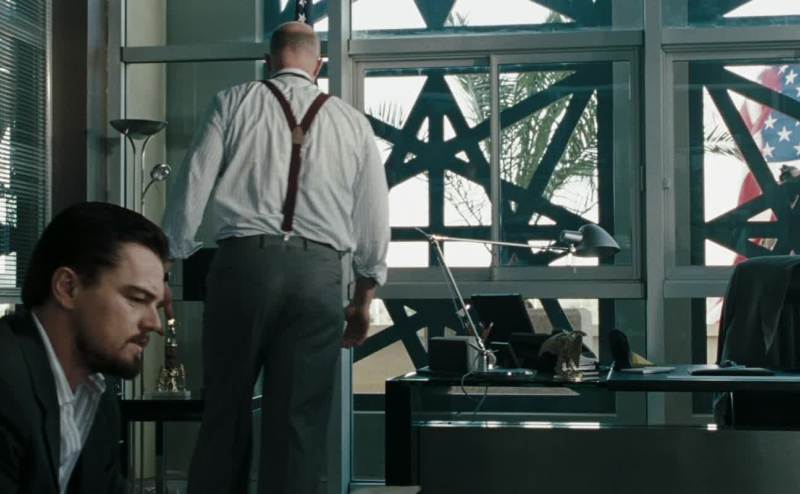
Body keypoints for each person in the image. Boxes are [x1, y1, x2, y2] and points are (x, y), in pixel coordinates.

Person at [162, 20, 389, 494]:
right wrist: (362, 300)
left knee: (225, 412)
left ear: (269, 61)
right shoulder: (352, 123)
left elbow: (191, 188)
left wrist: (165, 262)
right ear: (318, 66)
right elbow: (373, 219)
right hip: (318, 276)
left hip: (242, 268)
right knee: (298, 424)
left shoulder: (232, 102)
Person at [0, 201, 170, 493]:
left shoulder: (98, 399)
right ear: (68, 288)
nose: (155, 323)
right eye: (137, 299)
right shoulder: (5, 381)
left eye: (157, 305)